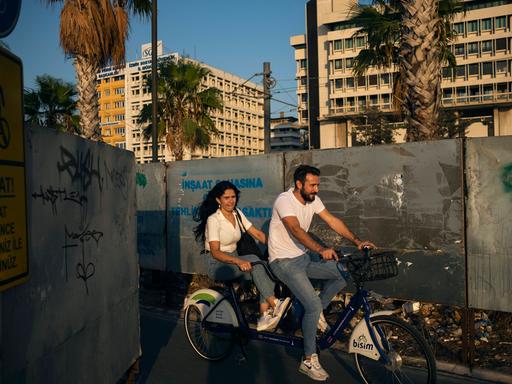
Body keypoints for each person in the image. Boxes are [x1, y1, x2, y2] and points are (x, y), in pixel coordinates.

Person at [268, 165, 375, 381]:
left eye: (318, 185)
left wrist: (357, 241)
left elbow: (332, 220)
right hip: (283, 262)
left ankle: (315, 312)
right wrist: (320, 249)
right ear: (299, 184)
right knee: (313, 304)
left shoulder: (312, 199)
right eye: (312, 185)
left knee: (342, 272)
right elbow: (296, 230)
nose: (316, 189)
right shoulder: (284, 200)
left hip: (302, 259)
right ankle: (308, 359)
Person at [194, 180, 290, 332]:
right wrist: (238, 260)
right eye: (226, 197)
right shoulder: (214, 220)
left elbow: (257, 234)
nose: (231, 201)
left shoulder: (237, 213)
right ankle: (275, 304)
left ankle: (264, 316)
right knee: (255, 263)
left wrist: (280, 247)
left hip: (234, 259)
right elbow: (215, 252)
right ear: (218, 200)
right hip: (218, 263)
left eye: (233, 197)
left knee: (264, 266)